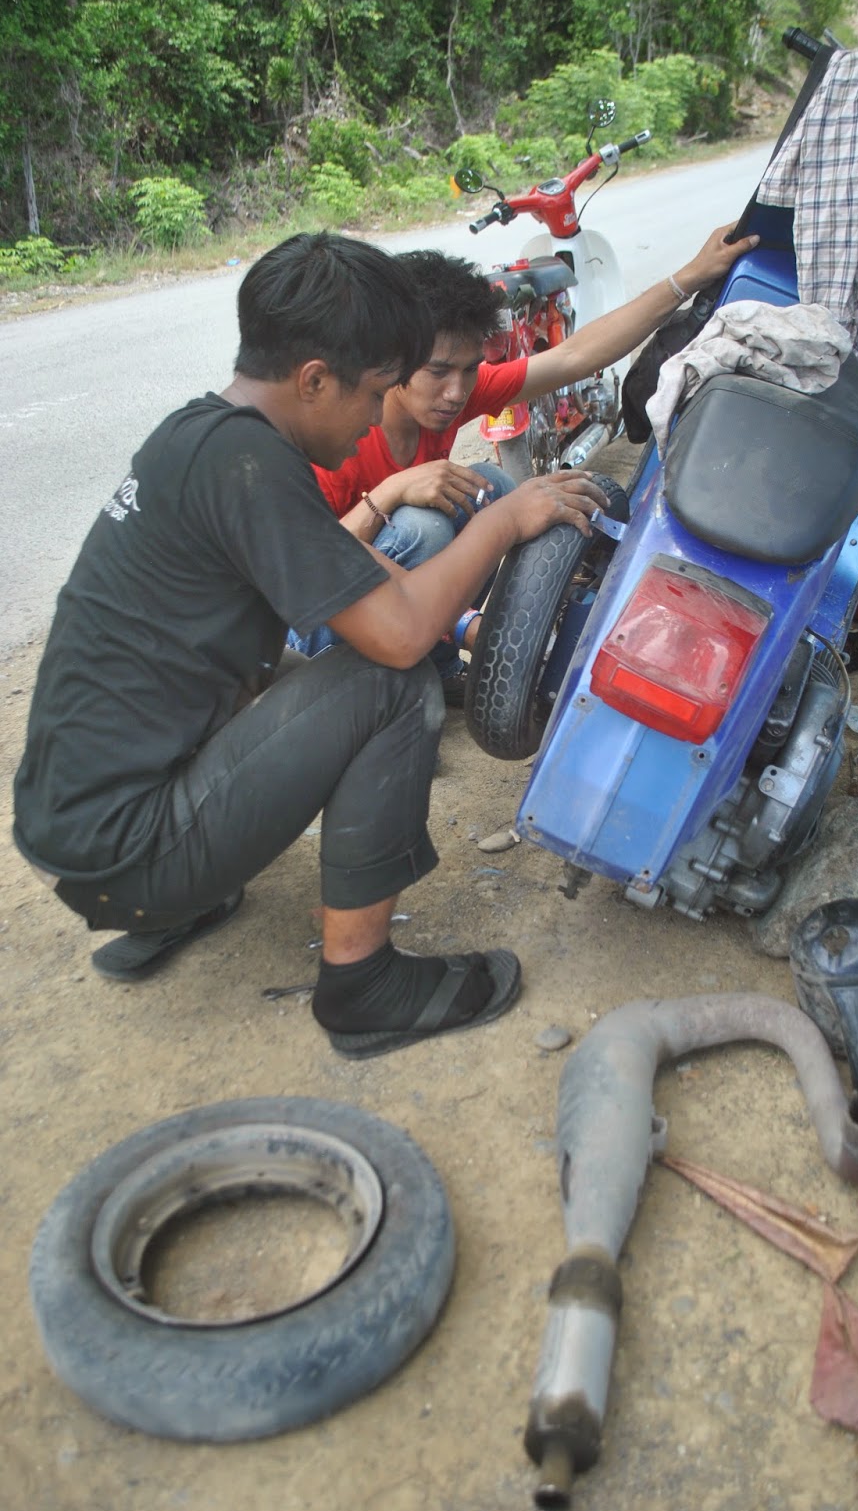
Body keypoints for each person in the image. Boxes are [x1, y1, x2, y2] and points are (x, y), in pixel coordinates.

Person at [11, 232, 611, 1060]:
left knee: (315, 668)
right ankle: (362, 985)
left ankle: (192, 897)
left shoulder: (204, 437)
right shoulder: (250, 468)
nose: (378, 415)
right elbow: (400, 636)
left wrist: (464, 592)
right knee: (393, 686)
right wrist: (507, 520)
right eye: (375, 393)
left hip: (69, 822)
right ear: (313, 379)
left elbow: (369, 583)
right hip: (122, 850)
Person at [290, 224, 759, 688]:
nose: (456, 392)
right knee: (424, 526)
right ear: (393, 358)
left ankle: (435, 660)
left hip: (392, 603)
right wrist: (390, 494)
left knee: (488, 486)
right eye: (438, 372)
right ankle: (407, 665)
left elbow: (575, 356)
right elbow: (305, 563)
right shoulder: (341, 433)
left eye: (470, 370)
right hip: (309, 625)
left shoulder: (443, 397)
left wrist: (692, 276)